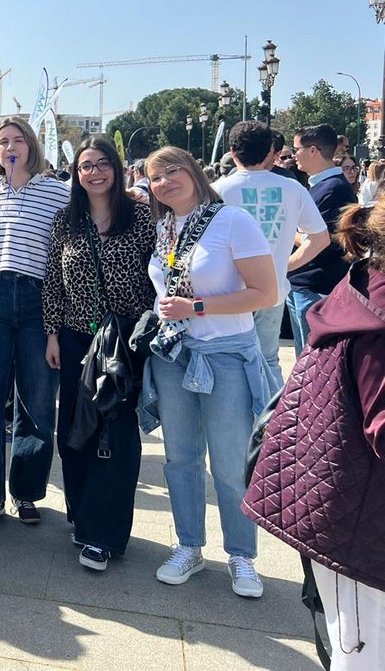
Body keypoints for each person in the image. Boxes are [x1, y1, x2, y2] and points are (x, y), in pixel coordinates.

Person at [244, 198, 385, 669]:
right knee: (363, 654)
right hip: (356, 518)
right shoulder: (377, 303)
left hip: (345, 502)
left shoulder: (368, 278)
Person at [141, 146, 276, 598]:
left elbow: (266, 293)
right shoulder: (164, 229)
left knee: (229, 461)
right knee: (180, 457)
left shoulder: (232, 221)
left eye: (172, 170)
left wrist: (196, 306)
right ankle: (188, 546)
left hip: (225, 354)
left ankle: (242, 555)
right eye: (155, 177)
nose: (164, 181)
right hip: (174, 353)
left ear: (194, 171)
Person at [43, 136, 156, 571]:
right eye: (86, 165)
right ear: (76, 173)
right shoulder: (66, 220)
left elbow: (159, 276)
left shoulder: (141, 217)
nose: (95, 172)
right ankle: (81, 513)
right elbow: (53, 281)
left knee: (115, 433)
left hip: (123, 342)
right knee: (74, 429)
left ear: (117, 167)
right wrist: (52, 335)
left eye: (103, 163)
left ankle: (103, 535)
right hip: (76, 338)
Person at [0, 116, 69, 529]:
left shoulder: (56, 192)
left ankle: (26, 491)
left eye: (17, 140)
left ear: (31, 146)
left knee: (37, 402)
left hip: (39, 298)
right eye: (2, 141)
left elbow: (66, 248)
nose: (9, 147)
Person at [214, 121, 330, 393]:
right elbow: (320, 238)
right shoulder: (292, 188)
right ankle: (272, 416)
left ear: (233, 152)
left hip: (230, 293)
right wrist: (285, 266)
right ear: (271, 151)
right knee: (268, 360)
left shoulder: (217, 190)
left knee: (228, 361)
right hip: (273, 290)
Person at [287, 124, 357, 356]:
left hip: (315, 287)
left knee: (311, 363)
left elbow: (323, 241)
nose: (293, 155)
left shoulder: (333, 189)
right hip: (307, 284)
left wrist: (288, 232)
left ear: (313, 150)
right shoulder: (325, 186)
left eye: (296, 149)